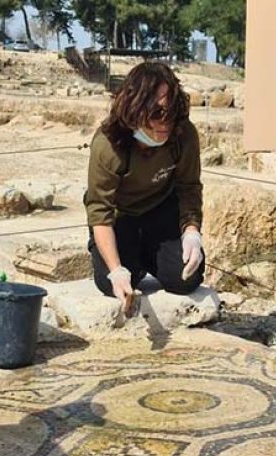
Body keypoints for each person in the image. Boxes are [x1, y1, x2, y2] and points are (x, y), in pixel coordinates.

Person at [84, 62, 205, 307]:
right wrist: (116, 269)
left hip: (161, 210)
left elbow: (189, 187)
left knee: (186, 278)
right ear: (135, 107)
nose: (164, 124)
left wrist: (192, 231)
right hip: (121, 216)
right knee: (112, 284)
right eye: (156, 113)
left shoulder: (183, 134)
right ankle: (131, 261)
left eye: (169, 112)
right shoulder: (108, 143)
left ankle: (150, 257)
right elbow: (99, 211)